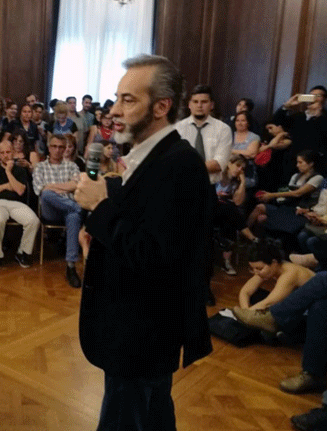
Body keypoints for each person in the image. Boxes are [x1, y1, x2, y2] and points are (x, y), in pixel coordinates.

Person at [74, 54, 213, 431]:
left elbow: (154, 255)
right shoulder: (153, 158)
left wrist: (101, 207)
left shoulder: (179, 165)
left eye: (128, 100)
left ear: (161, 107)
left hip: (142, 333)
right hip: (136, 330)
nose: (114, 110)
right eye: (117, 98)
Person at [233, 270, 327, 396]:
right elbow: (247, 290)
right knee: (320, 306)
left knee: (322, 278)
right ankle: (313, 374)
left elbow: (268, 302)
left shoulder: (290, 272)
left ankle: (274, 318)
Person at [33, 134, 82, 287]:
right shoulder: (40, 167)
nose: (57, 150)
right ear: (49, 148)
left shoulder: (72, 166)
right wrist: (63, 188)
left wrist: (52, 187)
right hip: (50, 210)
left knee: (74, 216)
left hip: (67, 209)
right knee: (47, 195)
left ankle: (71, 267)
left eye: (61, 147)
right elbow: (40, 189)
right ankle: (79, 209)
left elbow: (75, 185)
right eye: (54, 146)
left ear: (65, 148)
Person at [0, 140, 39, 269]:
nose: (5, 155)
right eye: (2, 153)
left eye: (8, 152)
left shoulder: (19, 170)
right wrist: (6, 186)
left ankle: (22, 252)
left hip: (16, 203)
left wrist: (8, 172)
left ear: (13, 153)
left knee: (33, 221)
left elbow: (20, 190)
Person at [237, 238, 315, 311]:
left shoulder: (290, 273)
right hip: (298, 303)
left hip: (312, 310)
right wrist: (245, 310)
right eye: (253, 269)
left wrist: (245, 316)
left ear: (274, 263)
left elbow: (268, 303)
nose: (255, 272)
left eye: (259, 268)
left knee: (270, 308)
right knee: (254, 295)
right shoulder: (271, 268)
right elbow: (245, 292)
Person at [175, 84, 232, 184]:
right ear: (189, 105)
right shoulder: (177, 128)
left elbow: (218, 164)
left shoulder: (223, 129)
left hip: (209, 186)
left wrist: (186, 167)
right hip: (181, 186)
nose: (199, 106)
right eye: (195, 102)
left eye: (204, 102)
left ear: (212, 105)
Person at [214, 154, 259, 275]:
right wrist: (217, 196)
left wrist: (243, 182)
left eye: (242, 168)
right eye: (238, 165)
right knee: (229, 207)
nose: (239, 169)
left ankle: (226, 261)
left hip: (225, 214)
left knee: (230, 218)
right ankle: (251, 237)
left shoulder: (236, 182)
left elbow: (238, 202)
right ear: (229, 164)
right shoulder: (217, 176)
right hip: (209, 210)